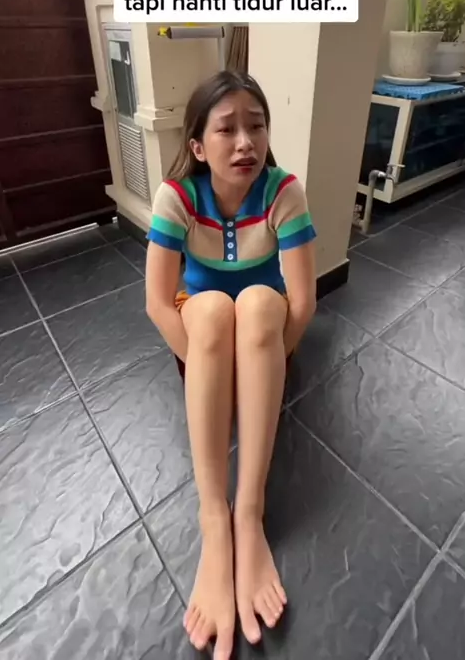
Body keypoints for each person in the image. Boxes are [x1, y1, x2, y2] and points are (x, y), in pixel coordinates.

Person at [145, 70, 317, 660]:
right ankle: (214, 520)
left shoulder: (283, 192)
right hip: (205, 334)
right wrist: (213, 371)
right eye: (226, 129)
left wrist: (259, 366)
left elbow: (303, 303)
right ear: (198, 146)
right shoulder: (176, 197)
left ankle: (249, 512)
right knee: (215, 307)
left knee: (262, 301)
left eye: (256, 126)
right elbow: (157, 303)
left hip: (266, 336)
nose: (245, 142)